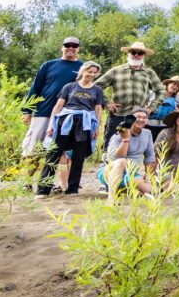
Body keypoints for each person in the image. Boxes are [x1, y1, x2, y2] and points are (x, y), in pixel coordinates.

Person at [35, 60, 103, 197]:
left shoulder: (97, 90)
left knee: (78, 157)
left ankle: (72, 189)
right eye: (90, 71)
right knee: (53, 154)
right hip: (65, 121)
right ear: (83, 71)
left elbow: (98, 109)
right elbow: (58, 106)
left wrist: (96, 127)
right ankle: (43, 190)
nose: (92, 74)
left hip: (84, 124)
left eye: (95, 72)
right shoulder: (69, 86)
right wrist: (51, 125)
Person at [22, 37, 85, 168]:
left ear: (78, 49)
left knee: (61, 151)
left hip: (67, 115)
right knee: (34, 149)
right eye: (68, 45)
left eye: (75, 46)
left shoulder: (82, 67)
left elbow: (88, 89)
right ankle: (26, 183)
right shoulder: (48, 65)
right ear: (61, 47)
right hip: (43, 112)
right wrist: (27, 110)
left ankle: (59, 185)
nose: (71, 48)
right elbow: (36, 88)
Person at [95, 42, 166, 149]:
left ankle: (130, 165)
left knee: (133, 146)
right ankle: (107, 165)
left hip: (138, 118)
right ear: (128, 54)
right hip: (118, 115)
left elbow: (161, 91)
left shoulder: (149, 73)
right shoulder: (116, 70)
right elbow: (97, 86)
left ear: (143, 56)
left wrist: (152, 107)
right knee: (111, 145)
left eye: (140, 53)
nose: (136, 55)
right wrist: (106, 102)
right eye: (133, 52)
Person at [98, 111, 157, 195]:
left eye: (144, 117)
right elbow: (115, 159)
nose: (141, 119)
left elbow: (149, 157)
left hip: (131, 173)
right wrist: (125, 139)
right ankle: (111, 194)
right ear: (131, 119)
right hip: (111, 170)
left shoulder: (147, 133)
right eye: (138, 117)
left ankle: (121, 189)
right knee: (122, 162)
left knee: (150, 191)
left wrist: (149, 178)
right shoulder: (119, 134)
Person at [150, 76, 179, 140]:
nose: (175, 87)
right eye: (174, 84)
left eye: (177, 86)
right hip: (150, 124)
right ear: (168, 84)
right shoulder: (155, 92)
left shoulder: (177, 99)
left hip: (165, 127)